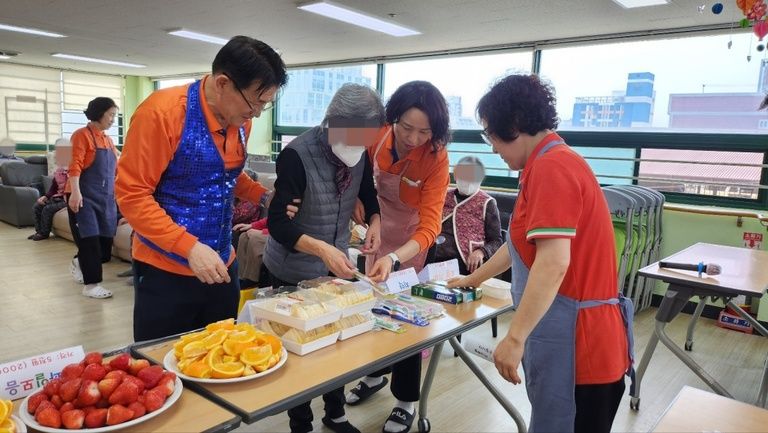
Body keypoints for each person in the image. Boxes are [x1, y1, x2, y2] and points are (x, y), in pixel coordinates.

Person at [447, 74, 633, 433]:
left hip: (582, 351)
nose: (493, 148)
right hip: (572, 343)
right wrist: (472, 279)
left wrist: (514, 338)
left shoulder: (552, 167)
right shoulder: (542, 165)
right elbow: (517, 247)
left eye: (491, 135)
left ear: (514, 125)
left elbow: (553, 261)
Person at [115, 36, 287, 341]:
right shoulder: (161, 114)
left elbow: (224, 175)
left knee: (221, 358)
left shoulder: (240, 119)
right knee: (165, 368)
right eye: (255, 102)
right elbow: (132, 195)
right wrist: (189, 247)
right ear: (222, 83)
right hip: (165, 270)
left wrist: (264, 196)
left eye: (265, 104)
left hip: (222, 265)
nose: (258, 113)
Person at [262, 83, 384, 433]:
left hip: (337, 268)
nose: (360, 145)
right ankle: (301, 423)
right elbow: (277, 223)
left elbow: (367, 194)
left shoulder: (362, 153)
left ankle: (336, 413)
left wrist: (374, 220)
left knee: (336, 344)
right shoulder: (297, 154)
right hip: (292, 267)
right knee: (300, 349)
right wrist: (321, 248)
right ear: (333, 122)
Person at [347, 81, 450, 433]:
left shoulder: (436, 157)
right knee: (371, 309)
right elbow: (353, 172)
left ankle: (406, 399)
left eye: (425, 131)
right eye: (406, 127)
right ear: (392, 119)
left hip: (410, 242)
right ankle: (375, 374)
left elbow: (431, 224)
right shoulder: (375, 134)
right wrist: (359, 201)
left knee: (406, 321)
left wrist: (396, 259)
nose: (414, 138)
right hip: (375, 232)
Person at [67, 97, 120, 299]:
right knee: (90, 241)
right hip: (83, 196)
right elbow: (75, 165)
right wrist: (75, 192)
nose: (113, 119)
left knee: (105, 246)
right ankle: (91, 286)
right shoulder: (81, 136)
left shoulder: (107, 139)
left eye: (114, 115)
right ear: (99, 113)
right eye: (111, 115)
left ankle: (79, 262)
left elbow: (115, 168)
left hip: (105, 198)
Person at [434, 156, 503, 274]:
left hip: (465, 264)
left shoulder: (487, 203)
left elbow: (497, 241)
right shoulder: (443, 197)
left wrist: (481, 252)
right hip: (435, 258)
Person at [29, 148, 69, 241]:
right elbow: (54, 188)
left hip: (68, 199)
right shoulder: (58, 172)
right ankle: (39, 232)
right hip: (58, 197)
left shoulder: (74, 172)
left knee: (48, 209)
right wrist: (45, 196)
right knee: (37, 206)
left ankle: (44, 233)